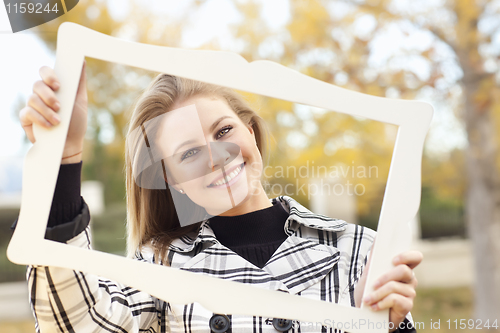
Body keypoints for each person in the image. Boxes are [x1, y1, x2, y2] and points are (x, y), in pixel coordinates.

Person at [19, 62, 422, 333]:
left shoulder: (357, 249)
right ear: (170, 179)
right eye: (189, 153)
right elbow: (77, 321)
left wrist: (388, 325)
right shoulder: (159, 266)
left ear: (250, 130)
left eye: (224, 131)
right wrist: (64, 157)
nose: (216, 157)